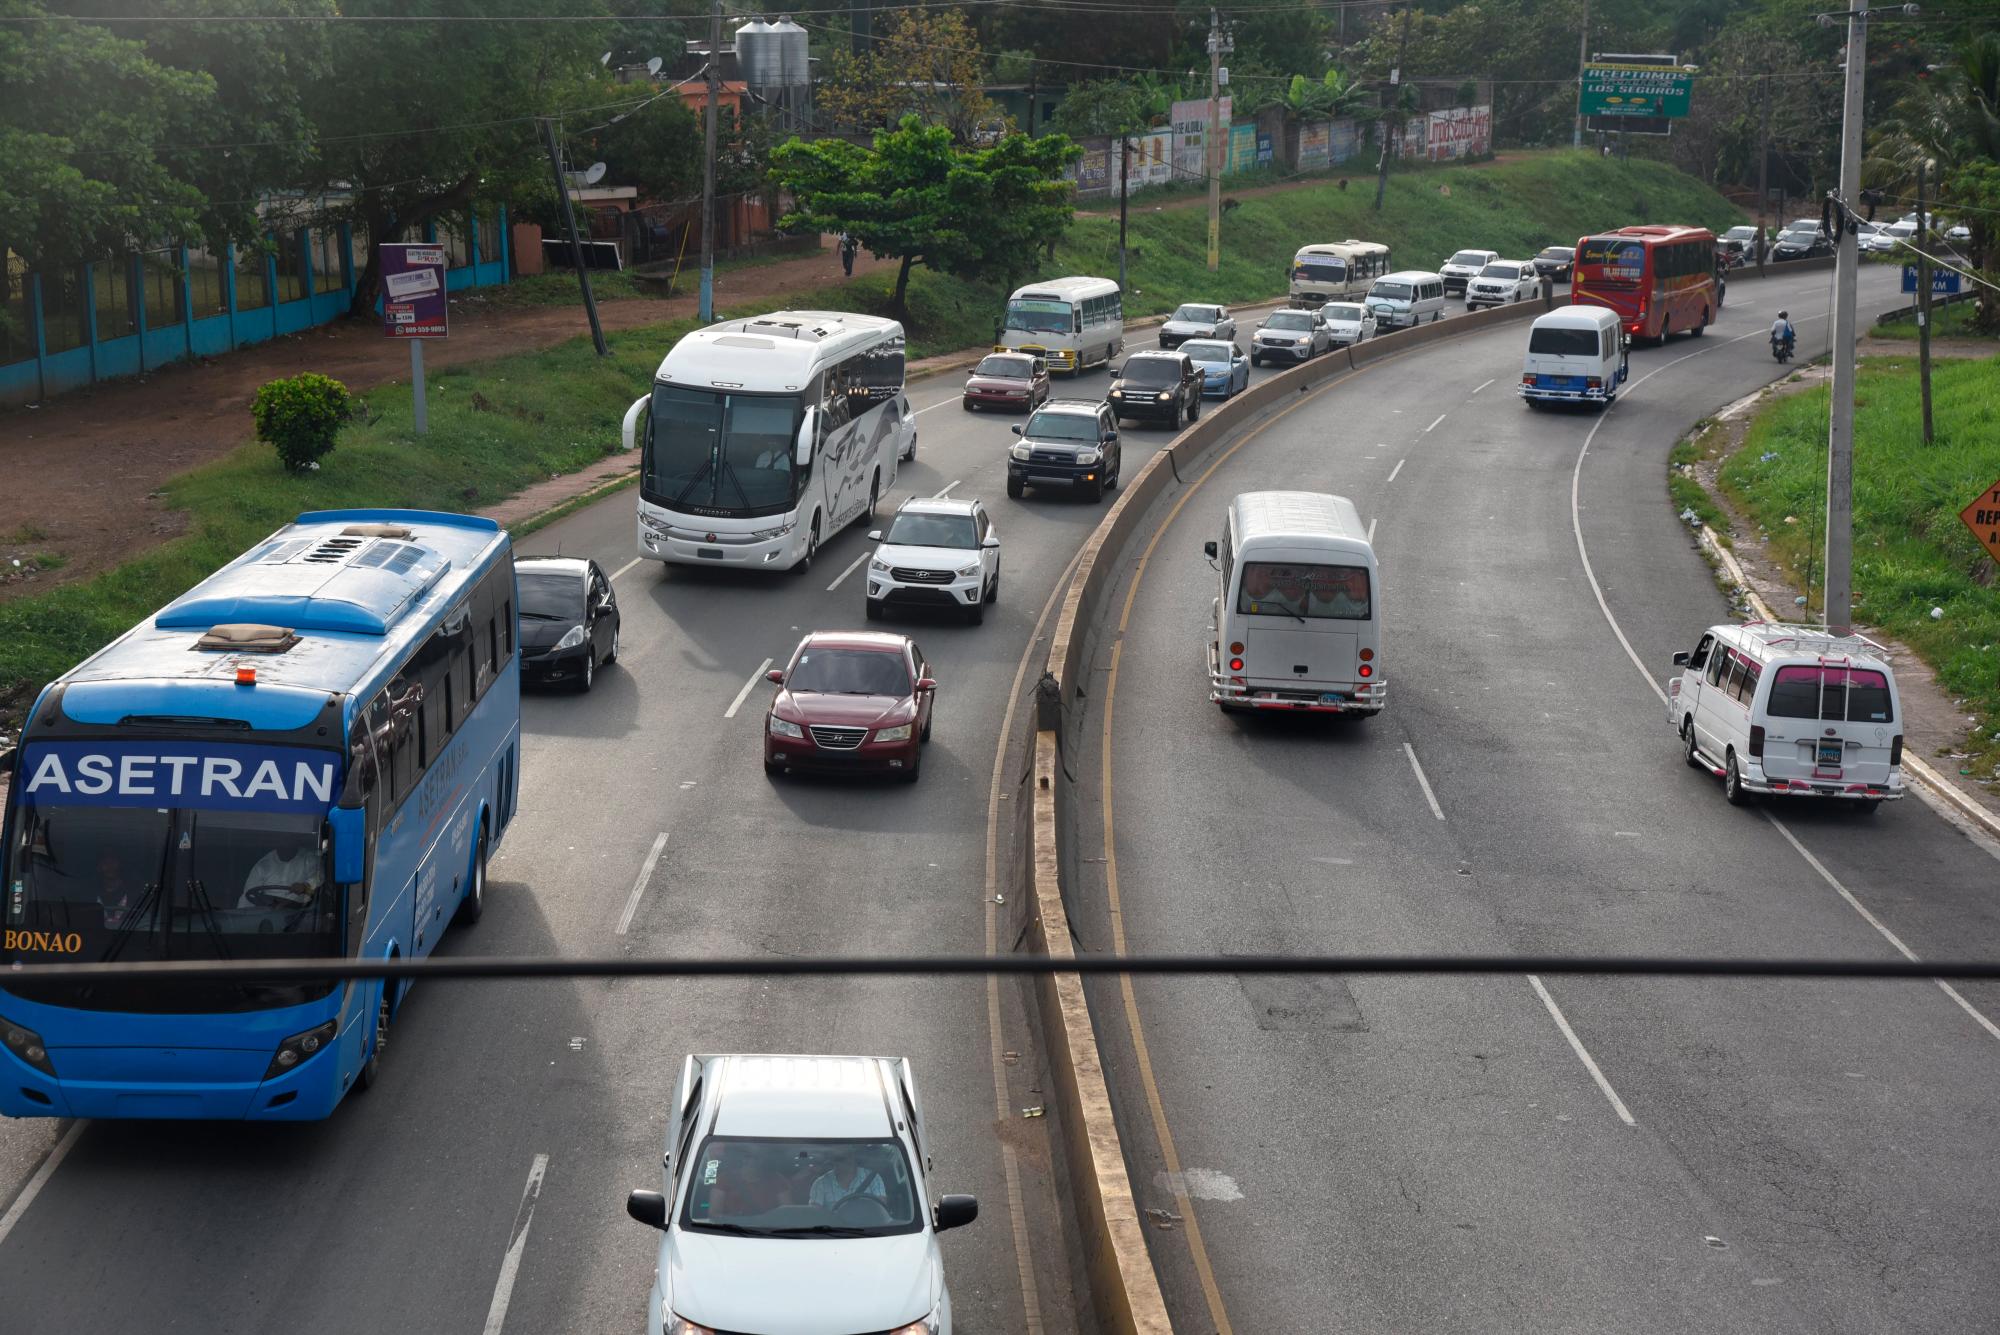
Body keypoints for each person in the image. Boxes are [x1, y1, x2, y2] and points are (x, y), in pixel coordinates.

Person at [241, 829, 323, 910]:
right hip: (269, 912)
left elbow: (319, 878)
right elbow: (248, 896)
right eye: (281, 841)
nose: (285, 845)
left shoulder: (309, 859)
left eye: (289, 841)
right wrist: (241, 917)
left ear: (296, 842)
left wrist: (305, 886)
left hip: (300, 914)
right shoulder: (263, 865)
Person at [808, 1146, 887, 1210]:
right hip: (833, 1228)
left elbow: (881, 1209)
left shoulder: (873, 1178)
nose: (846, 1161)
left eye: (846, 1156)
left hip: (870, 1228)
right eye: (837, 1159)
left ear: (853, 1156)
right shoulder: (820, 1183)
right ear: (832, 1161)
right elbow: (815, 1215)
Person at [94, 850, 137, 928]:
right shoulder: (89, 895)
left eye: (113, 861)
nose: (109, 866)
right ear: (98, 867)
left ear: (120, 865)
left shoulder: (136, 895)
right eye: (105, 862)